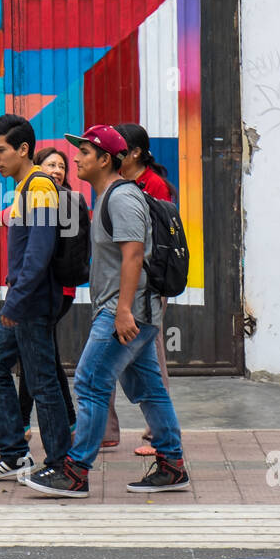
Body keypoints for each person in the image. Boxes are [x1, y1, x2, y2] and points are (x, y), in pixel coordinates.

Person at [24, 125, 190, 497]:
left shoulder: (121, 198)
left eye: (84, 152)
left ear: (105, 159)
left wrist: (123, 311)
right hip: (130, 311)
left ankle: (75, 470)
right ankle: (172, 464)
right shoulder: (108, 196)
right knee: (149, 389)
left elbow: (134, 254)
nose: (76, 158)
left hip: (124, 312)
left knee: (89, 381)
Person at [0, 115, 72, 482]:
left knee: (41, 381)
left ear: (23, 149)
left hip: (29, 302)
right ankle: (16, 454)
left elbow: (39, 251)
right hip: (23, 300)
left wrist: (15, 303)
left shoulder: (40, 187)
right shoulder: (22, 188)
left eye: (0, 150)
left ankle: (61, 464)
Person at [109, 123, 175, 456]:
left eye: (120, 148)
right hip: (121, 280)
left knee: (151, 353)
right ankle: (108, 430)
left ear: (135, 153)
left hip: (146, 284)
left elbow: (157, 242)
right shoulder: (118, 183)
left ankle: (155, 432)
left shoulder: (154, 186)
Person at [15, 147, 80, 435]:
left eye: (62, 166)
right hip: (47, 289)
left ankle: (27, 421)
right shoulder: (37, 196)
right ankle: (67, 419)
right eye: (51, 164)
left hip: (53, 290)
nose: (58, 170)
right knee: (45, 356)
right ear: (37, 167)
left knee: (37, 357)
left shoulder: (64, 201)